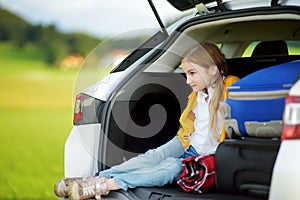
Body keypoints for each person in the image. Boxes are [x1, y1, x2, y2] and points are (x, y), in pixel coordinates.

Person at [54, 42, 239, 200]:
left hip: (209, 157)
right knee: (152, 156)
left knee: (171, 168)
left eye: (192, 73)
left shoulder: (232, 88)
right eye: (186, 73)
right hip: (187, 143)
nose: (188, 80)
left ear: (214, 69)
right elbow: (190, 125)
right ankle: (95, 179)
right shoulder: (197, 94)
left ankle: (109, 184)